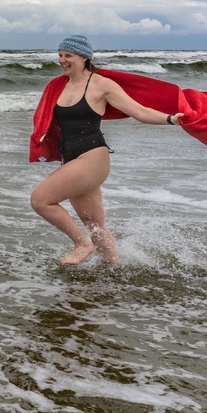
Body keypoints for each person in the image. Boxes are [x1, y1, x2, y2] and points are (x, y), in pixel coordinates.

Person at [29, 35, 184, 265]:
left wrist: (171, 119)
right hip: (70, 159)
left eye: (68, 56)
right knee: (95, 225)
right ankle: (113, 271)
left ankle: (81, 244)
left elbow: (139, 111)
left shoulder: (101, 85)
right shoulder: (58, 85)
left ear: (83, 57)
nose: (62, 60)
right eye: (60, 55)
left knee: (40, 200)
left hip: (92, 158)